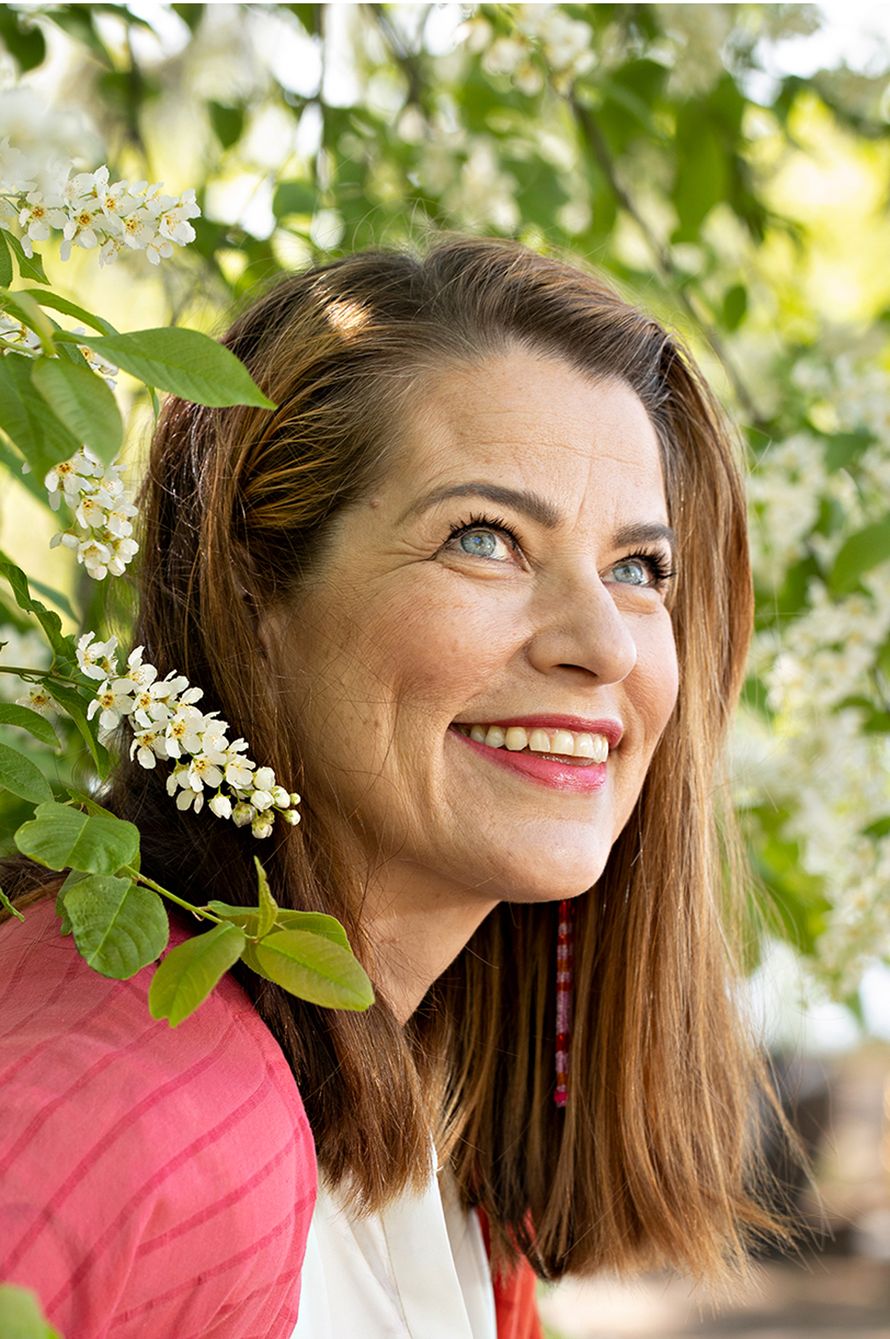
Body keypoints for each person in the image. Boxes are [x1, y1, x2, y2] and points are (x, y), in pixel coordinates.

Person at [0, 235, 780, 1337]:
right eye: (484, 539)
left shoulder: (431, 1143)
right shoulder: (134, 1115)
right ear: (252, 595)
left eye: (637, 568)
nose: (604, 642)